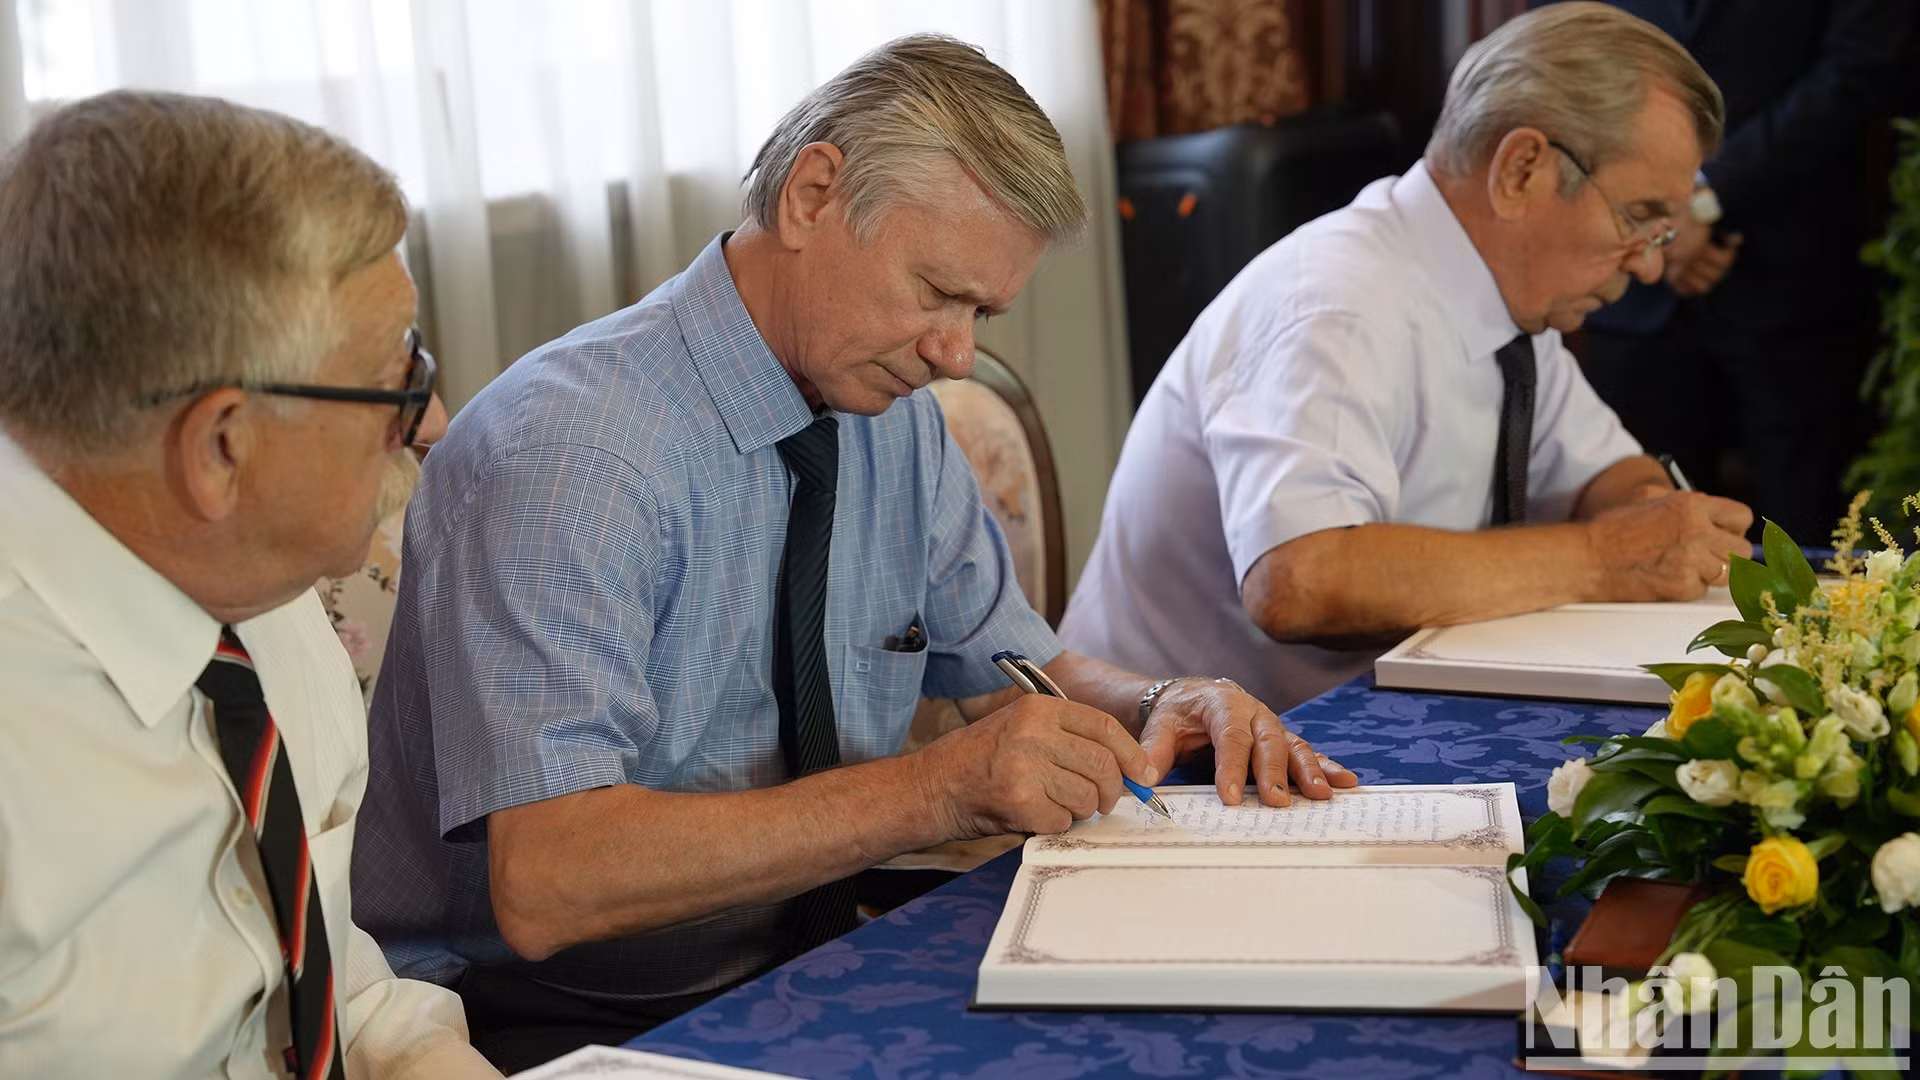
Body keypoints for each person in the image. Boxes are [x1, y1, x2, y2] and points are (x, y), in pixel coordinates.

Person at [351, 33, 1356, 1072]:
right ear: (812, 193)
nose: (958, 353)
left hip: (809, 962)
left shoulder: (891, 412)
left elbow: (1016, 673)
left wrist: (1159, 703)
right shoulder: (572, 455)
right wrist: (934, 791)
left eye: (981, 312)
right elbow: (549, 884)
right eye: (936, 291)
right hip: (542, 1017)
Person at [1059, 2, 1756, 714]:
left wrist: (1651, 519)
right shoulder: (1337, 303)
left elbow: (1601, 473)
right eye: (1639, 218)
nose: (1647, 268)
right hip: (1161, 770)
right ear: (1521, 170)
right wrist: (1606, 558)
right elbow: (1302, 579)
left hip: (1347, 734)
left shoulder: (1514, 305)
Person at [0, 92, 497, 1077]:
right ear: (223, 448)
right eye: (396, 380)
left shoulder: (258, 597)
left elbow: (329, 974)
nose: (434, 416)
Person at [1572, 0, 1912, 543]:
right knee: (1644, 530)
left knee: (1809, 541)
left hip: (1792, 277)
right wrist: (1660, 218)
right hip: (1629, 279)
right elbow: (1557, 53)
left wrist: (1707, 196)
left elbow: (1857, 63)